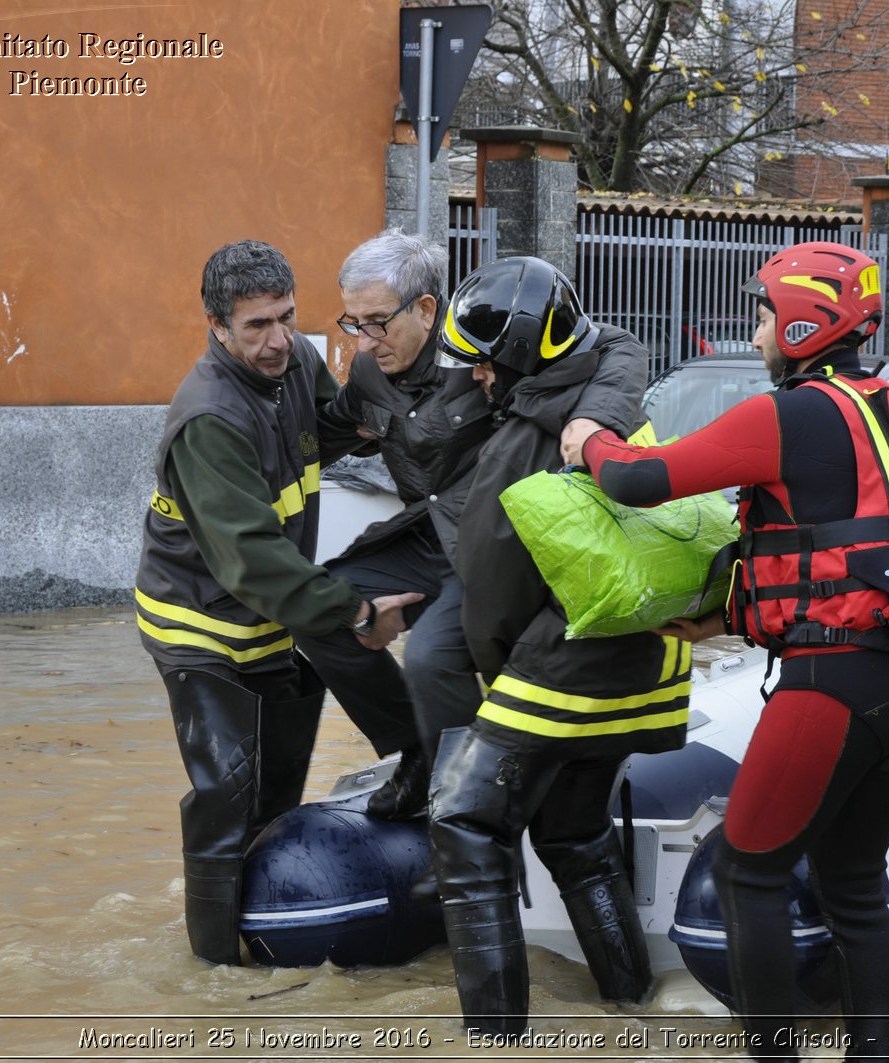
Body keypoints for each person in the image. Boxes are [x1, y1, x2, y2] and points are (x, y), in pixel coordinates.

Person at [576, 241, 889, 1061]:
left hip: (834, 682)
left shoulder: (789, 414)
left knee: (747, 874)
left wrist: (588, 442)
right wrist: (726, 614)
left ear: (803, 320)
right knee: (854, 886)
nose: (754, 333)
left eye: (762, 314)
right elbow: (847, 545)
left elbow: (641, 480)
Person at [134, 239, 419, 964]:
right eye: (257, 325)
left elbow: (331, 423)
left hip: (272, 616)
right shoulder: (208, 420)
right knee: (226, 800)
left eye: (287, 318)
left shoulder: (295, 361)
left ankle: (273, 926)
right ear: (216, 325)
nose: (278, 340)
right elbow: (252, 559)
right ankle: (214, 980)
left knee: (279, 795)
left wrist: (393, 408)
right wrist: (358, 615)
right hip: (200, 628)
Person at [428, 256, 690, 1038]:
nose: (475, 380)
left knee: (462, 819)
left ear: (512, 360)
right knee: (574, 833)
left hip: (564, 671)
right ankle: (630, 1007)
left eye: (482, 366)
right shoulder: (606, 396)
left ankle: (497, 1038)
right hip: (647, 663)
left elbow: (490, 587)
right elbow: (615, 337)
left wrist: (496, 682)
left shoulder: (519, 444)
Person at [304, 229, 643, 820]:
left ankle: (465, 797)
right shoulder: (368, 374)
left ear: (427, 308)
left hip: (490, 539)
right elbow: (322, 437)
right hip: (422, 536)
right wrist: (239, 444)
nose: (363, 342)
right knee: (319, 611)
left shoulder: (486, 341)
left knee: (432, 658)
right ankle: (416, 754)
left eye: (378, 322)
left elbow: (618, 346)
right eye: (352, 323)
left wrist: (591, 421)